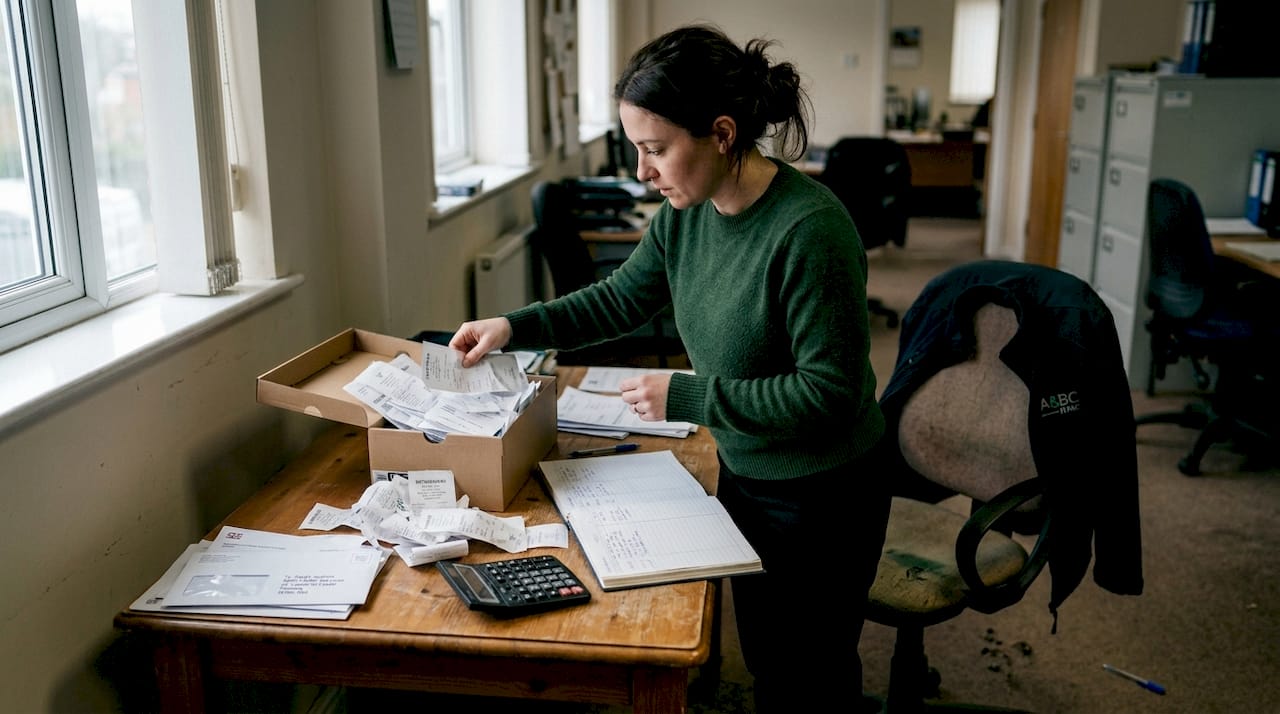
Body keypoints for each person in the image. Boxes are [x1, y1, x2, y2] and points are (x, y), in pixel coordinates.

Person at [449, 24, 889, 712]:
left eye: (656, 150)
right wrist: (516, 326)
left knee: (810, 677)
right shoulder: (686, 215)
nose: (642, 172)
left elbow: (827, 395)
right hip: (746, 472)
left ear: (720, 133)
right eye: (636, 150)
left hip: (823, 493)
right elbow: (622, 298)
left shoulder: (812, 232)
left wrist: (688, 395)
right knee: (771, 661)